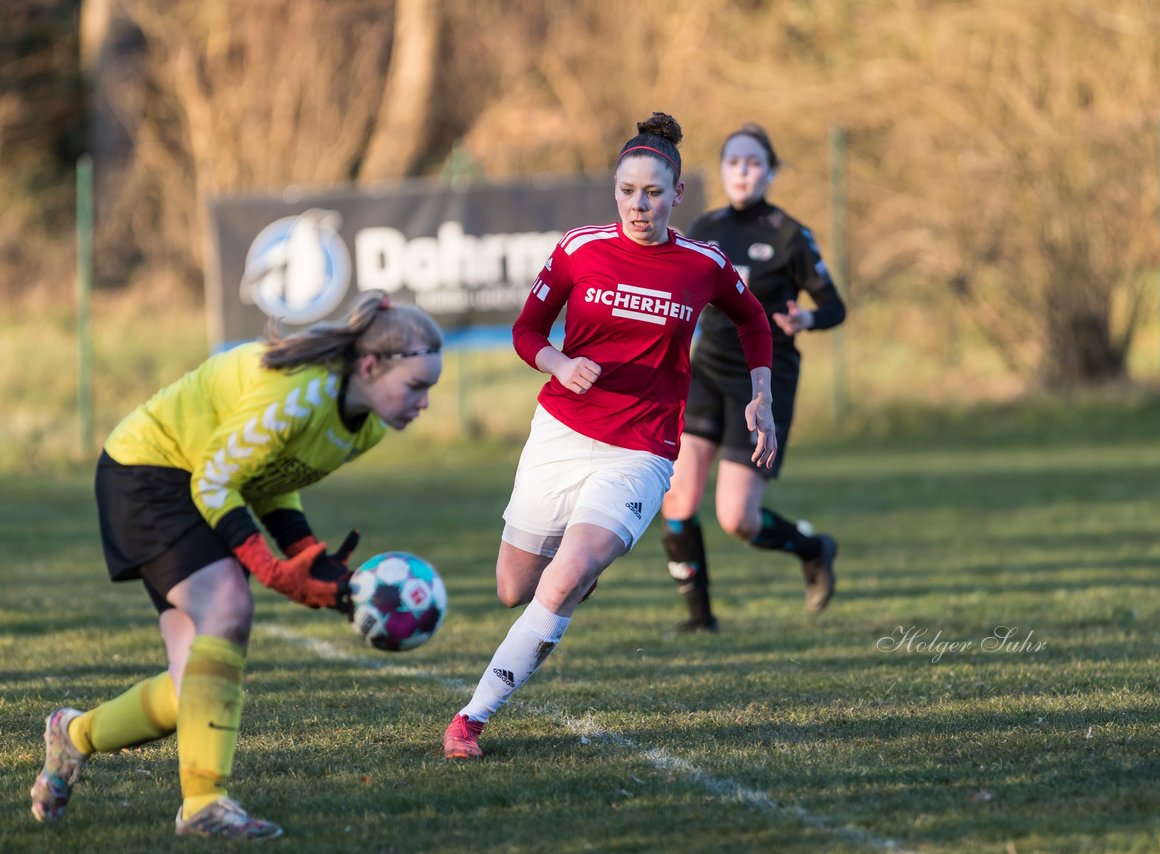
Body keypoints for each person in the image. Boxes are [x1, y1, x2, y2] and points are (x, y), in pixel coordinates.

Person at [30, 290, 444, 839]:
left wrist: (305, 554)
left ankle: (73, 735)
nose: (424, 402)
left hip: (197, 478)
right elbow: (216, 481)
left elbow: (271, 479)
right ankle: (204, 805)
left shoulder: (364, 424)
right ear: (369, 366)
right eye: (416, 386)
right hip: (149, 469)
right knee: (228, 606)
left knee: (191, 690)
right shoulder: (301, 394)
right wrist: (272, 569)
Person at [441, 112, 776, 760]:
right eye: (627, 191)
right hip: (562, 432)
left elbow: (752, 318)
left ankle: (470, 720)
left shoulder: (702, 263)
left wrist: (760, 396)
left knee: (563, 581)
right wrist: (559, 363)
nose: (639, 204)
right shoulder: (579, 249)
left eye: (653, 192)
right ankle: (579, 566)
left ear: (677, 194)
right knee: (515, 588)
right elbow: (526, 331)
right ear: (615, 190)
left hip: (643, 448)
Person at [660, 122, 847, 632]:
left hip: (763, 381)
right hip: (706, 371)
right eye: (732, 162)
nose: (741, 171)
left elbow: (834, 307)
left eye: (752, 162)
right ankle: (700, 619)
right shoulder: (704, 227)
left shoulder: (789, 235)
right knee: (676, 497)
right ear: (722, 170)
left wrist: (807, 319)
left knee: (737, 518)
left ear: (770, 171)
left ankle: (813, 548)